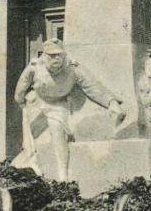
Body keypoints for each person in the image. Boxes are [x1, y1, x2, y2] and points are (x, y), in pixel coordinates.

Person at [12, 38, 125, 180]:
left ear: (64, 54)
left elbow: (92, 86)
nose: (55, 59)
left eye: (58, 55)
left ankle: (62, 175)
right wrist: (22, 103)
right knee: (31, 136)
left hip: (58, 104)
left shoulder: (72, 68)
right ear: (44, 56)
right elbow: (20, 89)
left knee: (57, 128)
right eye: (51, 55)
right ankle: (30, 163)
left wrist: (111, 102)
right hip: (38, 102)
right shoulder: (34, 68)